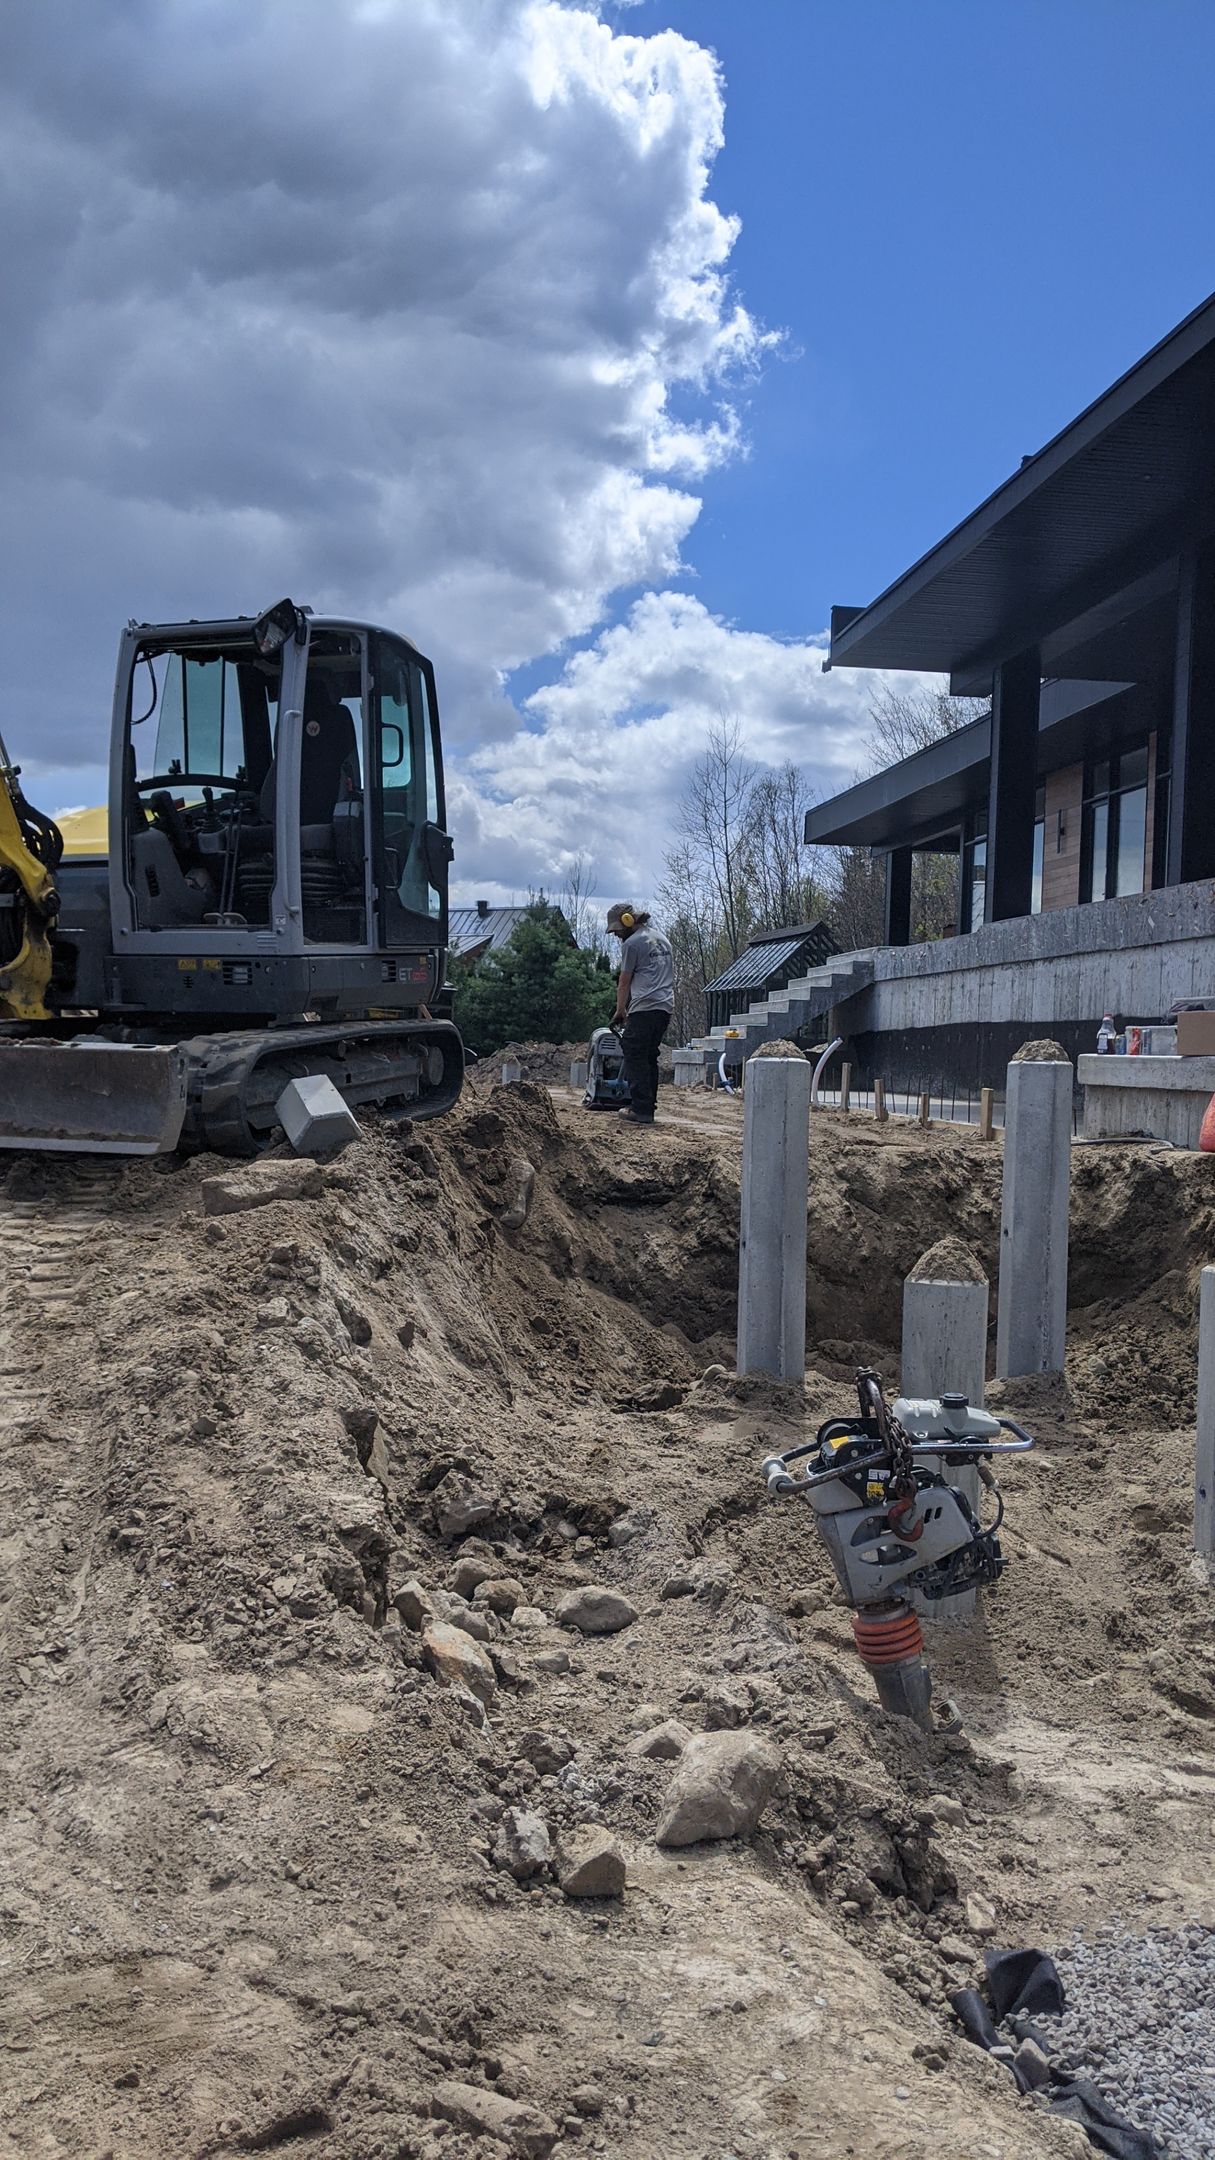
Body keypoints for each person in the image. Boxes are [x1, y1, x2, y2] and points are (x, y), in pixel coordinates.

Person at [606, 903, 674, 1125]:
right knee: (649, 1055)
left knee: (634, 1053)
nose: (616, 935)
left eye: (616, 930)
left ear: (627, 921)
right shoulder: (662, 938)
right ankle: (648, 1105)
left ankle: (640, 1109)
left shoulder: (632, 944)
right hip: (664, 1008)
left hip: (644, 1006)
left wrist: (620, 1010)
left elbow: (624, 981)